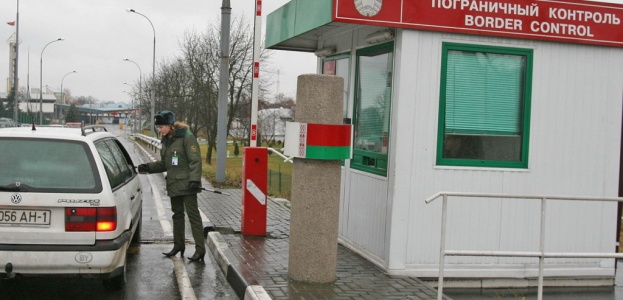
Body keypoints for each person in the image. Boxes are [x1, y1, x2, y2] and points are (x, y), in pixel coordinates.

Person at [137, 110, 206, 262]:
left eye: (161, 127)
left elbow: (195, 160)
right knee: (177, 216)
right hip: (174, 183)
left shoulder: (186, 137)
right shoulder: (166, 140)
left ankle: (200, 249)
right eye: (158, 127)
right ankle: (178, 245)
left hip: (188, 184)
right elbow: (164, 164)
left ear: (169, 125)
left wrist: (195, 180)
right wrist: (148, 167)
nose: (159, 130)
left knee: (193, 217)